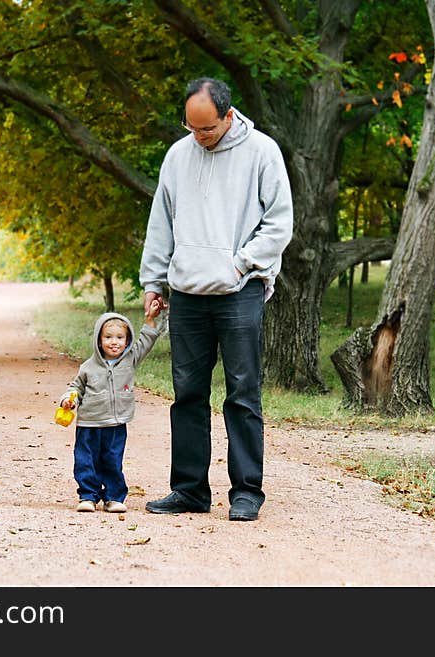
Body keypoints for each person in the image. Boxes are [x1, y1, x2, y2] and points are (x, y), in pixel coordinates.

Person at [139, 77, 293, 521]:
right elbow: (161, 223)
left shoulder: (262, 152)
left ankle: (246, 492)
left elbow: (280, 223)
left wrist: (242, 264)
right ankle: (189, 490)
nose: (199, 137)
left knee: (243, 393)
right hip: (186, 292)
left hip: (238, 291)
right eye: (191, 128)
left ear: (228, 116)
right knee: (187, 393)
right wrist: (153, 281)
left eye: (206, 129)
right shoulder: (177, 155)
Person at [59, 300, 161, 513]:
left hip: (116, 423)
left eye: (119, 337)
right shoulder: (88, 366)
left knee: (113, 460)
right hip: (89, 424)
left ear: (127, 340)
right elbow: (75, 387)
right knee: (86, 461)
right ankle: (88, 496)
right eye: (108, 337)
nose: (114, 342)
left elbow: (147, 341)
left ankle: (114, 497)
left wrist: (150, 319)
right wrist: (68, 400)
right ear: (98, 340)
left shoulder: (130, 359)